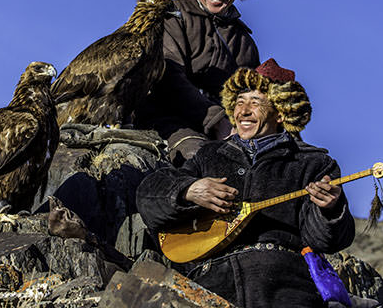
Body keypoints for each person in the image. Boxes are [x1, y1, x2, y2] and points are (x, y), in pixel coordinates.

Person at [136, 59, 356, 307]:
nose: (244, 111)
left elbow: (328, 241)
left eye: (256, 102)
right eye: (239, 102)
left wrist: (330, 209)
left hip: (284, 289)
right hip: (211, 284)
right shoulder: (210, 156)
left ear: (281, 113)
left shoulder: (313, 163)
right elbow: (148, 196)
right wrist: (188, 190)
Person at [135, 0, 261, 165]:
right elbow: (169, 78)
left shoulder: (244, 40)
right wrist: (216, 120)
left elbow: (252, 94)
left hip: (226, 124)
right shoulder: (173, 17)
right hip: (169, 119)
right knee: (203, 161)